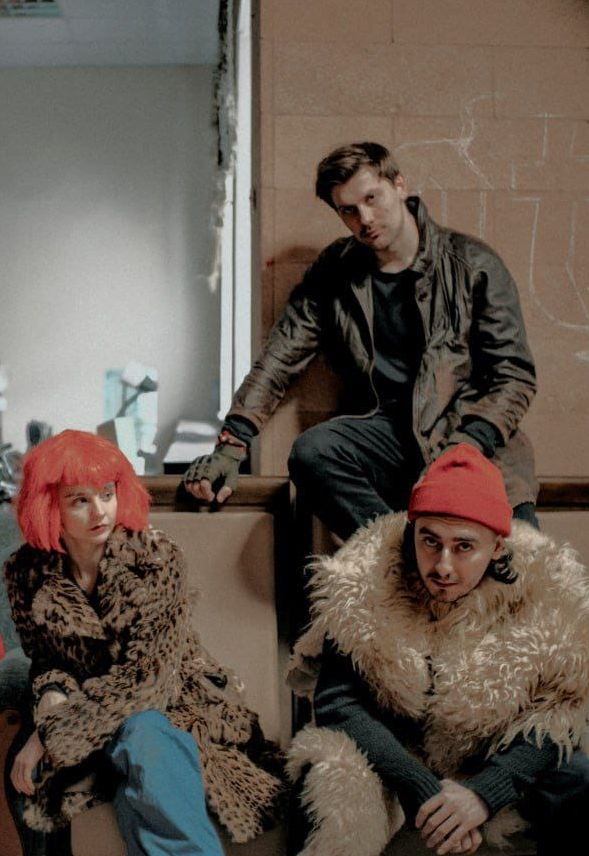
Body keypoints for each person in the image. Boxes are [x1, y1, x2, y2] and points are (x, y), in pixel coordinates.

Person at [183, 141, 538, 540]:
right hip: (389, 440)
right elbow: (280, 357)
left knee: (519, 566)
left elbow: (514, 376)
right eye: (348, 210)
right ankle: (401, 552)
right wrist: (232, 443)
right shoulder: (336, 270)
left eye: (372, 198)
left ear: (399, 185)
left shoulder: (473, 265)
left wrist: (468, 445)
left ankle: (423, 546)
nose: (364, 219)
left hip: (470, 437)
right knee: (312, 452)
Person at [285, 444, 589, 856]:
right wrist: (422, 789)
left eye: (464, 547)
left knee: (578, 777)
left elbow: (561, 712)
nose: (443, 566)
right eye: (430, 541)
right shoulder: (365, 578)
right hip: (395, 757)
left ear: (497, 547)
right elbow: (339, 703)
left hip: (490, 755)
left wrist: (484, 794)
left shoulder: (547, 591)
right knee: (329, 779)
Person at [3, 429, 283, 856]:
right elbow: (45, 658)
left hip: (177, 706)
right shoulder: (27, 573)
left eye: (107, 493)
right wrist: (53, 690)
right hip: (96, 718)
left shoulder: (156, 558)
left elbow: (148, 682)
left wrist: (51, 734)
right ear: (50, 506)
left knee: (142, 734)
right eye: (80, 500)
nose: (100, 511)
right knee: (44, 772)